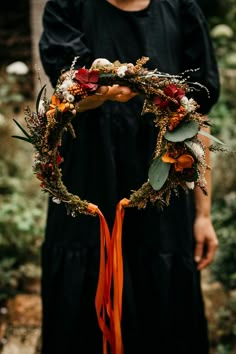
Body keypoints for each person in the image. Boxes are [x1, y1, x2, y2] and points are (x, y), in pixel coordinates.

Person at [39, 0, 220, 353]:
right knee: (84, 314)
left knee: (163, 315)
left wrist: (203, 215)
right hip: (87, 188)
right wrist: (99, 91)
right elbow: (65, 98)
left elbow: (195, 121)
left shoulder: (181, 10)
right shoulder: (67, 7)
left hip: (164, 194)